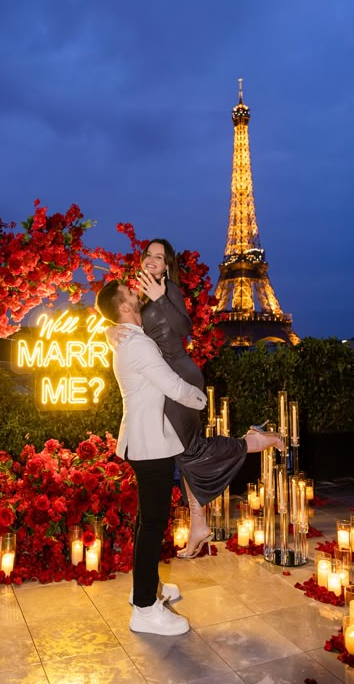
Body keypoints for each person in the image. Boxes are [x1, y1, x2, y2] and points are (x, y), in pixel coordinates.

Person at [111, 239, 284, 559]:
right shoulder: (143, 300)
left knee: (189, 449)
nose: (152, 260)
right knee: (183, 452)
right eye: (148, 254)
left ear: (167, 266)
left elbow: (185, 327)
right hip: (164, 381)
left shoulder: (168, 290)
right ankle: (199, 524)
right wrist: (110, 331)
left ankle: (253, 441)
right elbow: (130, 327)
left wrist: (162, 299)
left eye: (159, 257)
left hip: (179, 377)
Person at [95, 279, 207, 636]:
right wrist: (202, 400)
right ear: (124, 307)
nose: (136, 294)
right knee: (153, 525)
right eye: (130, 294)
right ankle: (144, 608)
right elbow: (172, 385)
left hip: (144, 440)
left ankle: (144, 590)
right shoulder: (137, 343)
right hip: (150, 444)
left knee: (149, 521)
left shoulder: (129, 338)